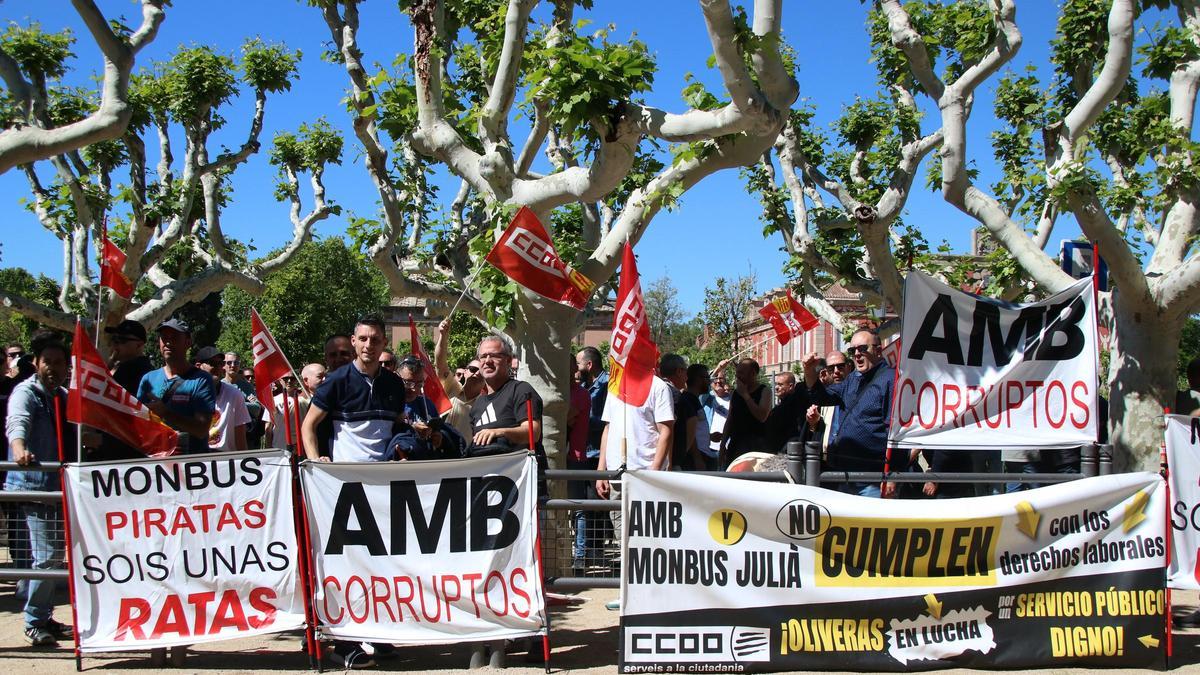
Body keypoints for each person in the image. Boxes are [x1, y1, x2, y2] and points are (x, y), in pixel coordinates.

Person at [301, 316, 404, 668]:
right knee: (345, 566)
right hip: (342, 491)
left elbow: (393, 431)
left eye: (375, 339)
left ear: (384, 341)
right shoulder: (336, 382)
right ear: (354, 340)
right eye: (362, 339)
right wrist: (317, 467)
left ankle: (376, 631)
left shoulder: (394, 384)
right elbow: (308, 426)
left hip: (384, 491)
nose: (368, 345)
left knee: (381, 564)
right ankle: (345, 641)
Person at [4, 333, 74, 647]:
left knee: (53, 557)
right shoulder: (26, 392)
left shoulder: (62, 395)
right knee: (47, 558)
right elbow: (16, 424)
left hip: (58, 486)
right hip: (34, 487)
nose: (54, 368)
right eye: (48, 361)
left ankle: (43, 616)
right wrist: (19, 449)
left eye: (60, 363)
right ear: (36, 362)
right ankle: (34, 621)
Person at [803, 329, 896, 498]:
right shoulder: (853, 378)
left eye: (862, 349)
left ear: (878, 350)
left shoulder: (890, 379)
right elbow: (823, 397)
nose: (857, 355)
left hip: (873, 477)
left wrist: (893, 476)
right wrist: (810, 372)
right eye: (853, 351)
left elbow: (895, 431)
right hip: (845, 475)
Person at [594, 366, 674, 541]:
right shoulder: (614, 386)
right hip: (616, 476)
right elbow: (608, 428)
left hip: (647, 475)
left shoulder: (658, 386)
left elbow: (666, 429)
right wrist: (601, 470)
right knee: (622, 538)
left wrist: (655, 470)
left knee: (649, 538)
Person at [137, 318, 216, 455]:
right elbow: (138, 424)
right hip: (155, 464)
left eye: (174, 337)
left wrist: (165, 413)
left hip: (190, 465)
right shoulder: (148, 379)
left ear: (188, 342)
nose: (168, 342)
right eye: (164, 337)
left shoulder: (201, 380)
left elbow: (201, 430)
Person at [89, 320, 153, 461]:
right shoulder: (119, 368)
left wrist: (101, 439)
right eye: (114, 340)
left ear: (139, 345)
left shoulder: (138, 371)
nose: (115, 344)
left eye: (122, 340)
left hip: (124, 453)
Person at [387, 357, 464, 460]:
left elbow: (437, 432)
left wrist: (438, 438)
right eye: (408, 383)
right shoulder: (386, 403)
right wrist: (412, 429)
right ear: (396, 377)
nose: (414, 389)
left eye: (419, 384)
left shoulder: (426, 404)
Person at [565, 357, 595, 571]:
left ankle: (580, 556)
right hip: (562, 457)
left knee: (577, 508)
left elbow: (566, 418)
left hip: (575, 457)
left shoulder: (581, 394)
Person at [433, 319, 485, 442]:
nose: (476, 373)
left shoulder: (486, 404)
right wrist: (443, 336)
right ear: (465, 372)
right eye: (472, 369)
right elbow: (440, 362)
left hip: (466, 458)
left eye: (481, 371)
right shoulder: (451, 387)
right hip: (442, 454)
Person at [194, 347, 250, 452]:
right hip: (198, 461)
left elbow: (241, 443)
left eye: (220, 363)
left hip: (226, 462)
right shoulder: (188, 395)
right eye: (212, 363)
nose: (218, 367)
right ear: (198, 366)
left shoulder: (234, 395)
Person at [720, 358, 770, 462]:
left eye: (741, 373)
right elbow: (730, 420)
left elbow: (762, 417)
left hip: (756, 448)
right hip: (736, 446)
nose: (737, 376)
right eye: (737, 373)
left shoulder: (764, 391)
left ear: (753, 373)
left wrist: (745, 395)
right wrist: (722, 444)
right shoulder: (735, 393)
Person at [267, 363, 326, 449]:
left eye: (292, 378)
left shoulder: (323, 398)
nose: (289, 381)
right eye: (320, 376)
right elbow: (269, 427)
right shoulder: (300, 403)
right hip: (292, 450)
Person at [659, 354, 700, 471]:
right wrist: (674, 459)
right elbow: (691, 422)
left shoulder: (656, 390)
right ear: (679, 371)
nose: (687, 378)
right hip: (668, 463)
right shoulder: (673, 394)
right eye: (685, 372)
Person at [224, 353, 264, 449]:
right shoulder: (219, 385)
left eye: (236, 363)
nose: (233, 365)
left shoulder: (246, 386)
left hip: (245, 435)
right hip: (224, 435)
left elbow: (256, 409)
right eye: (229, 362)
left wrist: (235, 404)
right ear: (223, 365)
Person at [764, 371, 808, 454]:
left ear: (790, 386)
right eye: (776, 384)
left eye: (781, 384)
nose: (776, 387)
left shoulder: (796, 404)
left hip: (788, 451)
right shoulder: (780, 406)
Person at [683, 364, 714, 470]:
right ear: (698, 379)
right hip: (696, 457)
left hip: (702, 453)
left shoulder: (694, 399)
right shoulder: (689, 400)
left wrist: (710, 436)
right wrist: (697, 458)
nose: (709, 381)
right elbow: (689, 431)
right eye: (707, 378)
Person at [701, 372, 731, 466]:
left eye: (721, 379)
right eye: (715, 378)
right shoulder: (706, 398)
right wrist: (719, 368)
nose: (718, 381)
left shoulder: (733, 399)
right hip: (708, 448)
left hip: (728, 448)